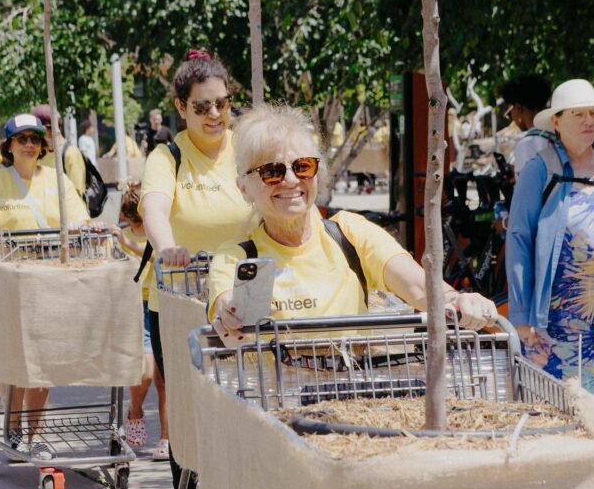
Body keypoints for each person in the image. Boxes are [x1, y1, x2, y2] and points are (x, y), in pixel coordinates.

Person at [208, 104, 498, 340]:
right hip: (277, 404)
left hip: (349, 396)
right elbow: (226, 306)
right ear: (244, 187)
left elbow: (421, 288)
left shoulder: (349, 232)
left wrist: (457, 299)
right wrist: (230, 314)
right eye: (272, 171)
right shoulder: (235, 258)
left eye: (303, 166)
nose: (291, 180)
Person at [139, 48, 256, 489]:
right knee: (188, 410)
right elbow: (154, 207)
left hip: (246, 297)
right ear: (181, 108)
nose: (214, 115)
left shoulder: (247, 149)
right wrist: (168, 250)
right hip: (181, 300)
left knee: (250, 407)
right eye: (202, 106)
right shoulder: (168, 156)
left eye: (222, 104)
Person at [505, 79, 594, 430]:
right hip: (556, 319)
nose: (589, 121)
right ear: (556, 121)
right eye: (577, 114)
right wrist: (521, 315)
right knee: (563, 416)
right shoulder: (540, 169)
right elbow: (519, 239)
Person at [0, 113, 92, 456]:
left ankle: (36, 432)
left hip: (50, 283)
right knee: (15, 360)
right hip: (9, 285)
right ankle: (14, 422)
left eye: (35, 138)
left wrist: (79, 229)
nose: (30, 145)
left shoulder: (58, 181)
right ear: (9, 146)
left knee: (43, 360)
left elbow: (81, 221)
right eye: (23, 140)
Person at [116, 182, 169, 461]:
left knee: (165, 380)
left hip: (160, 302)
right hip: (136, 308)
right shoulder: (121, 236)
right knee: (145, 374)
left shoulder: (158, 231)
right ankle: (134, 411)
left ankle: (167, 438)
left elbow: (157, 257)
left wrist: (129, 243)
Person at [499, 74, 553, 177]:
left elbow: (526, 191)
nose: (511, 118)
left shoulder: (526, 144)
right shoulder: (560, 134)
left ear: (518, 108)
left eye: (509, 113)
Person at [31, 104, 87, 197]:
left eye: (34, 132)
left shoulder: (71, 154)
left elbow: (77, 194)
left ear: (45, 130)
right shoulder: (40, 153)